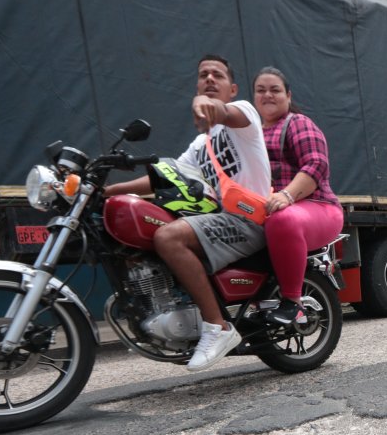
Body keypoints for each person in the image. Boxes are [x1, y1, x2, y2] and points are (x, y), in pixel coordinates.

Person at [106, 55, 270, 372]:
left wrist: (204, 104)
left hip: (250, 220)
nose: (209, 78)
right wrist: (108, 191)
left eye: (217, 75)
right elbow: (167, 176)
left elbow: (221, 111)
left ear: (232, 88)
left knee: (168, 236)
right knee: (154, 223)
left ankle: (217, 326)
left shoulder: (245, 116)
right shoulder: (200, 144)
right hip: (221, 220)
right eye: (203, 75)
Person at [253, 66, 344, 326]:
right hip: (265, 209)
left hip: (317, 206)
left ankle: (293, 303)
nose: (267, 95)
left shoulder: (297, 123)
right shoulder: (251, 135)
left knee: (282, 220)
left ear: (288, 96)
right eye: (261, 90)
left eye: (275, 90)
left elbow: (317, 165)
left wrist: (287, 195)